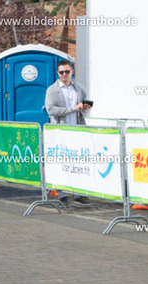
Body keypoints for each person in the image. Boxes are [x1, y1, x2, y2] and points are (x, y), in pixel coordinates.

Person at [45, 60, 92, 206]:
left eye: (67, 71)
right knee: (62, 163)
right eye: (61, 72)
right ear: (57, 73)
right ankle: (63, 195)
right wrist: (73, 108)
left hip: (77, 130)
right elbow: (51, 110)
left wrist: (85, 107)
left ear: (72, 71)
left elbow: (84, 108)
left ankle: (79, 194)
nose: (64, 75)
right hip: (61, 131)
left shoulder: (79, 88)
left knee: (78, 162)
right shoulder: (52, 90)